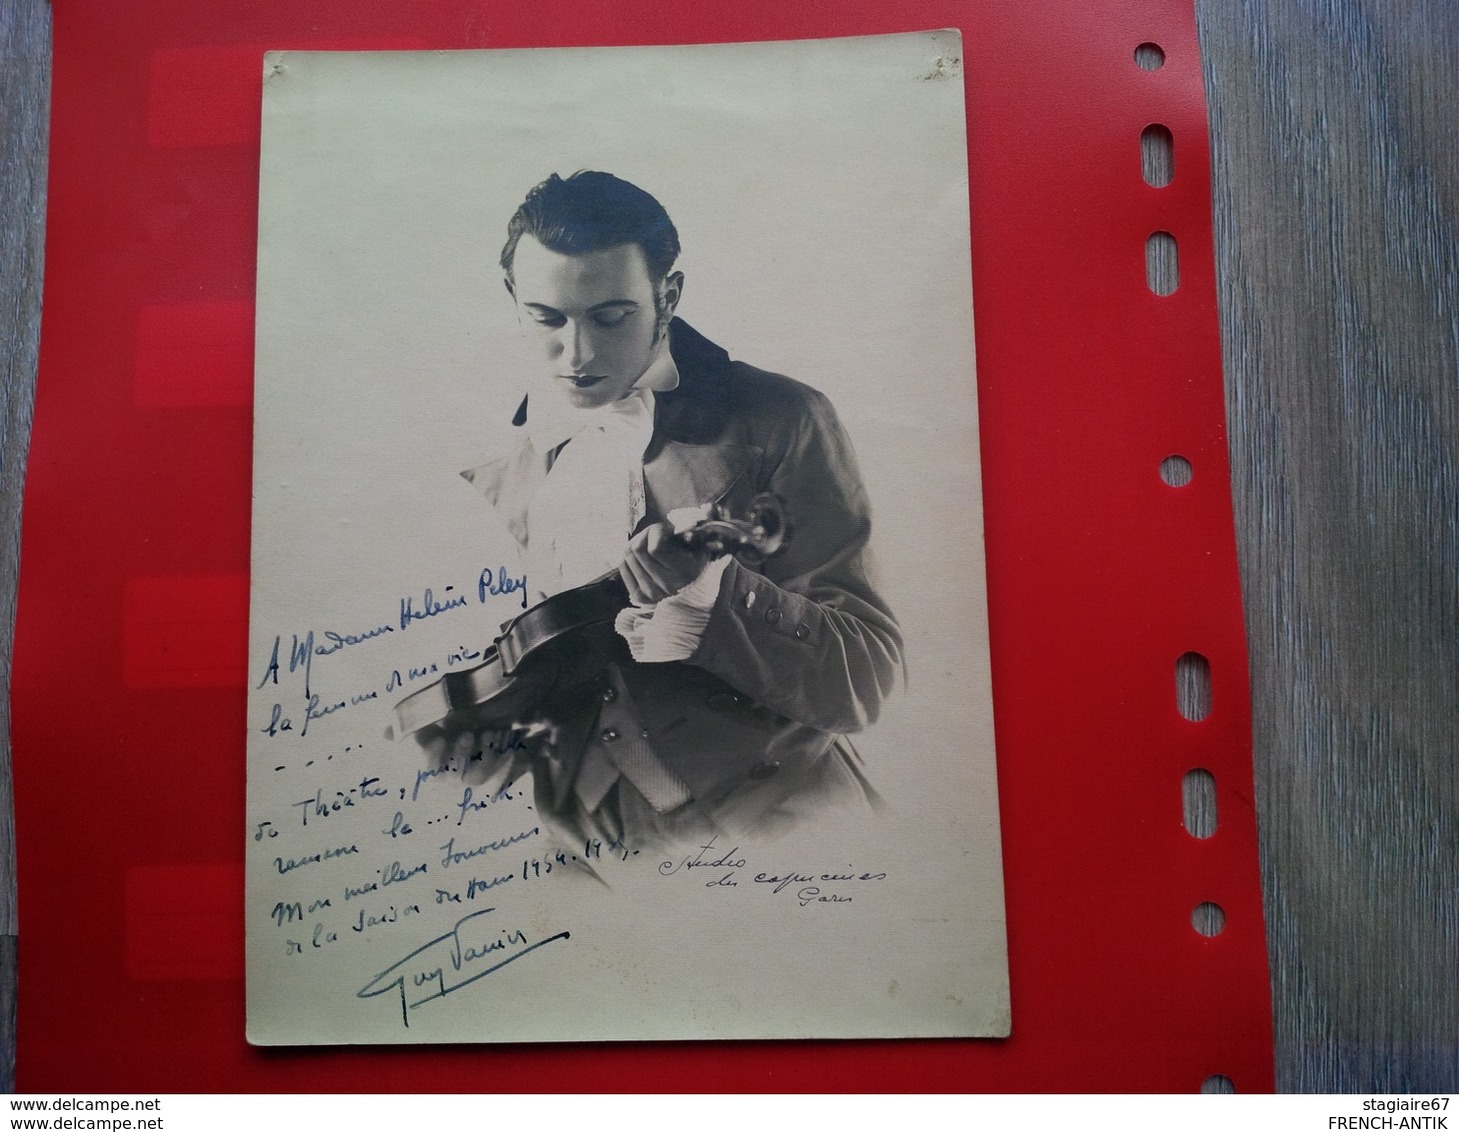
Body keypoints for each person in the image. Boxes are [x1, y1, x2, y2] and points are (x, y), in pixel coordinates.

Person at [430, 170, 903, 850]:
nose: (578, 354)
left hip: (781, 837)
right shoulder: (502, 455)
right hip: (581, 857)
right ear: (513, 299)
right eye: (546, 319)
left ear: (668, 295)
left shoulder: (781, 420)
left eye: (611, 317)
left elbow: (866, 682)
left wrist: (714, 599)